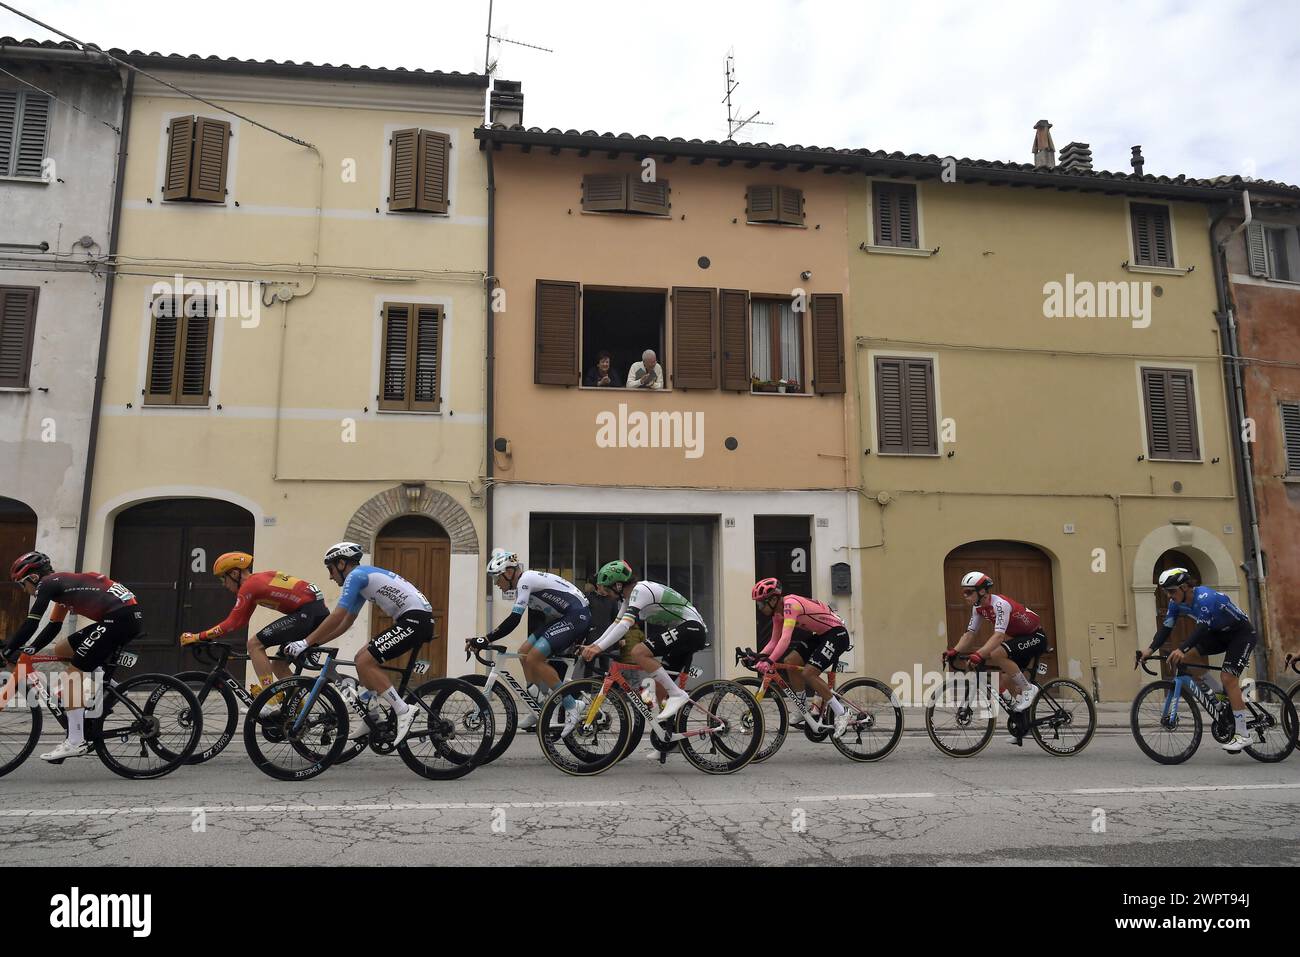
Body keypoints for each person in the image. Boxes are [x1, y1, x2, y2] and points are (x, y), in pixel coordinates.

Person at [2, 551, 145, 762]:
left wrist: (8, 649)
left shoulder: (48, 584)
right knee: (62, 649)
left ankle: (76, 740)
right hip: (122, 616)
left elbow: (31, 622)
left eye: (22, 584)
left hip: (120, 618)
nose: (25, 590)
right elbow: (53, 627)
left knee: (71, 679)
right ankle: (110, 688)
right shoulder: (63, 586)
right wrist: (31, 648)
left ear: (32, 577)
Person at [286, 543, 431, 746]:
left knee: (365, 662)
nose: (330, 576)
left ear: (342, 563)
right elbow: (346, 621)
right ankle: (371, 717)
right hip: (414, 620)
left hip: (415, 621)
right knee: (359, 659)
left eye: (330, 569)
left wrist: (305, 642)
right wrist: (315, 643)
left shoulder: (356, 576)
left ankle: (403, 710)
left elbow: (337, 615)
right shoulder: (363, 580)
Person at [179, 552, 329, 710]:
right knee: (278, 665)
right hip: (313, 613)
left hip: (306, 614)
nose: (223, 584)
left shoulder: (249, 586)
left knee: (254, 644)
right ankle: (298, 710)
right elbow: (241, 621)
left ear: (235, 573)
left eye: (223, 578)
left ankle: (270, 700)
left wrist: (199, 636)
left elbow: (233, 622)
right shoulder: (256, 582)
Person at [472, 548, 591, 734]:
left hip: (576, 616)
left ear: (509, 573)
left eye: (497, 578)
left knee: (534, 658)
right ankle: (539, 707)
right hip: (562, 618)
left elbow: (514, 619)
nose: (496, 584)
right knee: (524, 652)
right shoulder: (525, 582)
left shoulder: (525, 580)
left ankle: (571, 705)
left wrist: (485, 638)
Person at [1138, 567, 1256, 752]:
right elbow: (1166, 628)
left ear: (1185, 587)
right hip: (1218, 634)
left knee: (1228, 677)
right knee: (1185, 659)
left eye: (1172, 591)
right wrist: (1150, 649)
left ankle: (1243, 734)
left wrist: (1182, 648)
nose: (1169, 596)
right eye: (1166, 592)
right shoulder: (1175, 604)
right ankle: (1220, 696)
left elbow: (1201, 629)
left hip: (1240, 634)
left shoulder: (1205, 597)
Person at [579, 560, 708, 726]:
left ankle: (677, 694)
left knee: (638, 652)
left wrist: (597, 648)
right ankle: (668, 739)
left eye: (605, 588)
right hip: (685, 631)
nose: (604, 593)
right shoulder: (628, 598)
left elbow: (625, 625)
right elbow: (615, 624)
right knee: (661, 687)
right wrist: (592, 646)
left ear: (618, 585)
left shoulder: (640, 590)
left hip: (692, 628)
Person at [751, 578, 852, 738]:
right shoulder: (777, 614)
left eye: (761, 603)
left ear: (773, 599)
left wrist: (769, 660)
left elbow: (785, 639)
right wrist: (757, 657)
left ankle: (842, 712)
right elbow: (773, 641)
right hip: (822, 635)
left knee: (808, 673)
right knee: (790, 661)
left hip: (836, 633)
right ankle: (802, 708)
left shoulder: (790, 605)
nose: (760, 607)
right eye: (758, 604)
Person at [945, 571, 1048, 713]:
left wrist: (979, 654)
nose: (965, 596)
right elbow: (970, 634)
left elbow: (999, 636)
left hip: (1036, 637)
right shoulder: (978, 608)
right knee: (1002, 681)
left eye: (968, 592)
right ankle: (1021, 724)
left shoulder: (1000, 604)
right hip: (1019, 639)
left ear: (982, 591)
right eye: (963, 592)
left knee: (996, 653)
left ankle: (1029, 689)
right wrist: (954, 651)